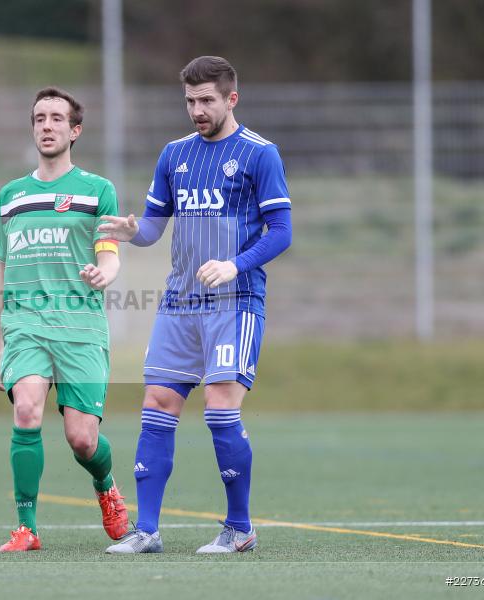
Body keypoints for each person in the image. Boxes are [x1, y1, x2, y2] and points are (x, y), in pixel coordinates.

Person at [99, 56, 293, 554]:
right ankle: (146, 531)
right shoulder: (174, 155)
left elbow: (281, 232)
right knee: (157, 405)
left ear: (232, 98)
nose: (197, 110)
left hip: (235, 302)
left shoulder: (259, 154)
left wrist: (235, 264)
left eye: (207, 100)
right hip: (179, 303)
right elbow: (154, 227)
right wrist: (131, 232)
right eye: (190, 101)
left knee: (219, 409)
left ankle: (239, 527)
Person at [0, 86, 129, 552]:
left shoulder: (97, 191)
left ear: (75, 130)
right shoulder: (11, 196)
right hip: (25, 326)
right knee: (26, 409)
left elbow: (110, 254)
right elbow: (2, 270)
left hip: (80, 328)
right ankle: (26, 528)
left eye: (56, 118)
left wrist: (102, 272)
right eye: (39, 118)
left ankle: (106, 485)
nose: (46, 126)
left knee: (82, 440)